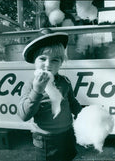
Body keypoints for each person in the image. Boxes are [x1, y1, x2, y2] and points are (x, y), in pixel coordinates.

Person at [18, 28, 83, 161]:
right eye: (42, 58)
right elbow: (24, 115)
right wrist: (37, 91)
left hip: (67, 134)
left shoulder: (65, 81)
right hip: (45, 140)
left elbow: (72, 102)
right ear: (34, 60)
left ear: (61, 63)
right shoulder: (31, 84)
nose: (48, 65)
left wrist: (85, 116)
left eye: (55, 60)